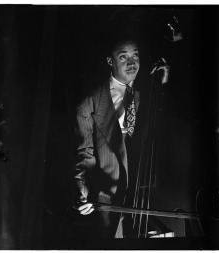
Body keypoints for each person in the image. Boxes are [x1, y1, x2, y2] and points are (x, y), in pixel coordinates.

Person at [72, 36, 169, 238]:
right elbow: (85, 153)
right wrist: (82, 190)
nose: (132, 63)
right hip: (109, 195)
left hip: (149, 196)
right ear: (110, 61)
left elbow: (161, 131)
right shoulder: (89, 102)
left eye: (135, 56)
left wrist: (163, 85)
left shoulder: (151, 88)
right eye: (123, 57)